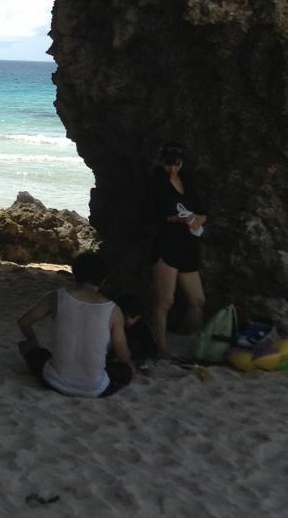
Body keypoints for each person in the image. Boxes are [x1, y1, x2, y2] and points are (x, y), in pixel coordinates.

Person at [17, 251, 133, 397]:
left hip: (53, 382)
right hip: (95, 389)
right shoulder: (114, 310)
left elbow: (24, 322)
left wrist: (33, 341)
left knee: (28, 348)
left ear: (74, 274)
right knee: (125, 370)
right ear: (103, 280)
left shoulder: (56, 297)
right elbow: (123, 356)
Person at [147, 140, 207, 355]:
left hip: (188, 245)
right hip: (166, 245)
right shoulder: (156, 184)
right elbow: (148, 217)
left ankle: (191, 338)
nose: (172, 169)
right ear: (161, 162)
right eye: (168, 164)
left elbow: (202, 210)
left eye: (177, 164)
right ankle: (161, 347)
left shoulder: (187, 181)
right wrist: (175, 219)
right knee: (165, 301)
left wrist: (199, 219)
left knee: (197, 300)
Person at [116, 295, 159, 371]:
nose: (128, 321)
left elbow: (152, 349)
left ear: (138, 316)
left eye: (132, 317)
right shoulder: (117, 326)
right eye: (124, 318)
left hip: (139, 357)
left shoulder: (143, 329)